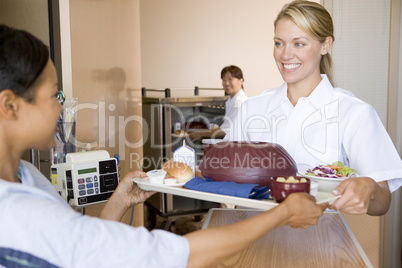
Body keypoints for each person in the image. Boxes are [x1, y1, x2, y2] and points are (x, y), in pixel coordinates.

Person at [0, 24, 328, 267]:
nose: (62, 106)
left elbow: (81, 246)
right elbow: (168, 255)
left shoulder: (27, 175)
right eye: (55, 94)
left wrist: (118, 201)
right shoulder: (16, 214)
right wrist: (283, 212)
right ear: (10, 105)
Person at [226, 0, 402, 216]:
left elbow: (383, 201)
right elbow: (220, 173)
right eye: (279, 43)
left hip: (322, 241)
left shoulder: (354, 113)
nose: (285, 55)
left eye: (299, 43)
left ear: (325, 45)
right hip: (251, 239)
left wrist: (370, 188)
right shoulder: (251, 109)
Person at [189, 65, 248, 142]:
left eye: (230, 79)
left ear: (241, 80)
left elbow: (224, 132)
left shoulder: (239, 102)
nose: (226, 83)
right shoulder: (231, 100)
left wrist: (200, 133)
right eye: (224, 80)